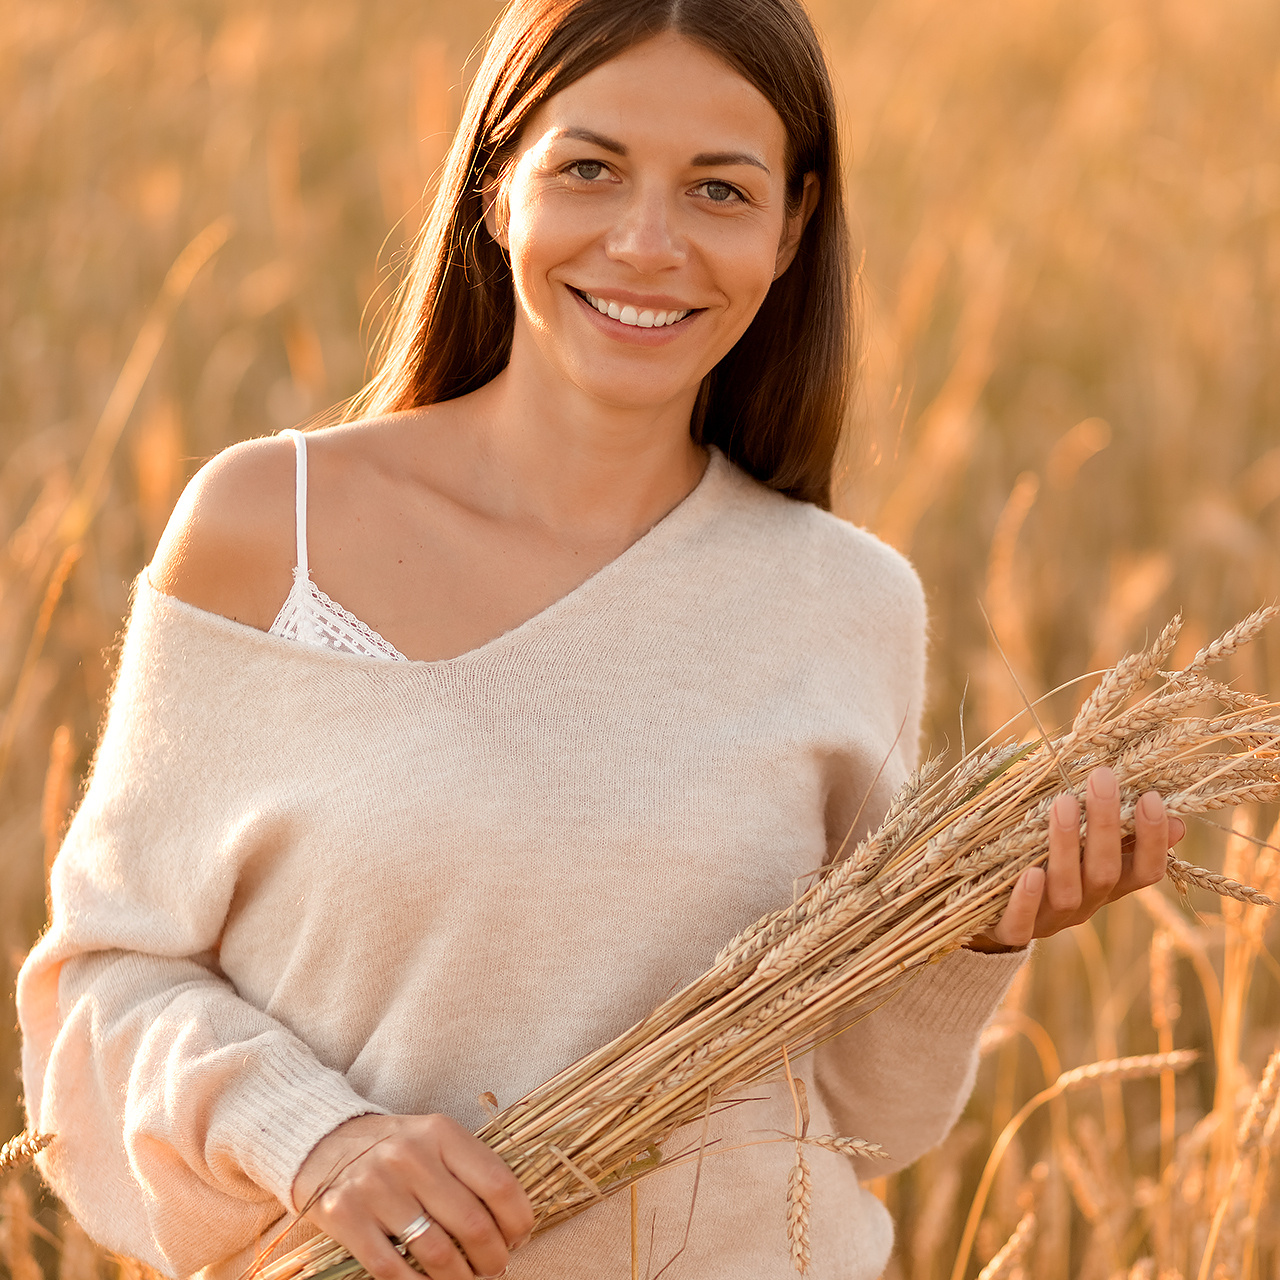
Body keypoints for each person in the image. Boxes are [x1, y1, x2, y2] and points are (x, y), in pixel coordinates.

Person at [16, 1, 1182, 1277]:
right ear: (497, 186)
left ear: (790, 230)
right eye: (589, 168)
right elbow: (102, 987)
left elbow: (850, 1121)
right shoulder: (272, 527)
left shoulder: (846, 600)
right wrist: (319, 1139)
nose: (647, 244)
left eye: (718, 192)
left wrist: (976, 935)